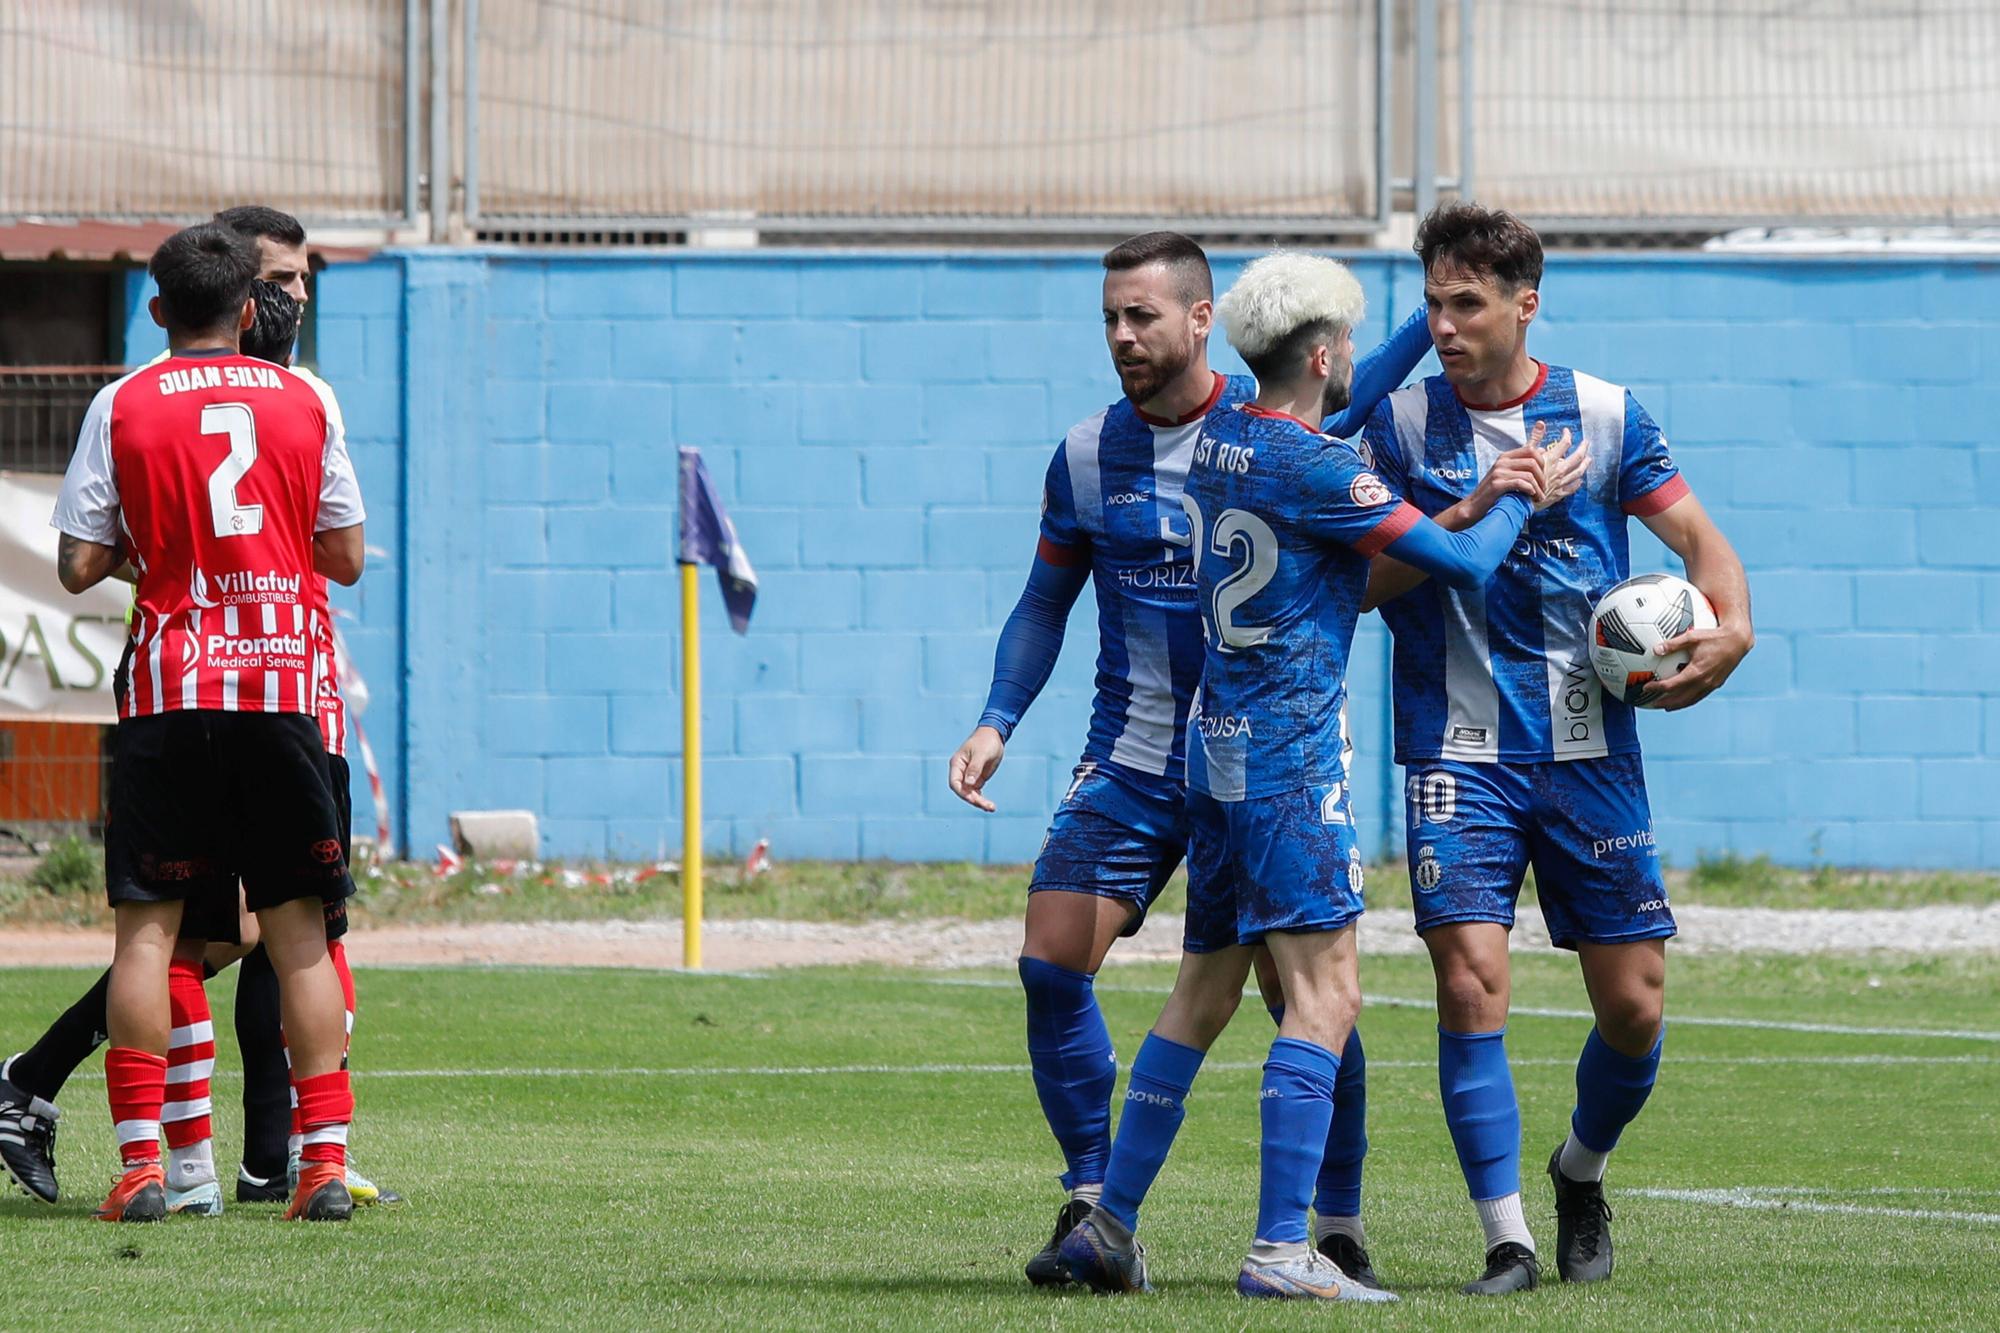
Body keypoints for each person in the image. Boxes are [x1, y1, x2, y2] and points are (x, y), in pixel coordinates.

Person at [1056, 251, 1584, 1299]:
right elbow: (1466, 570)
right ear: (1319, 352)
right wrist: (1522, 492)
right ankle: (1278, 1251)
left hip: (1215, 757)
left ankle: (1107, 1222)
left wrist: (1468, 495)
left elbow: (1360, 418)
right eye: (1344, 342)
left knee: (1197, 994)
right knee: (1325, 995)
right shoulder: (1319, 469)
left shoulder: (1220, 442)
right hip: (1291, 765)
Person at [945, 232, 1434, 1286]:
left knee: (1297, 994)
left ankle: (1329, 1219)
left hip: (1244, 756)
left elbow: (1345, 369)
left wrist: (1425, 310)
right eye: (1110, 319)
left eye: (1142, 317)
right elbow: (1043, 603)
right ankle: (1093, 1204)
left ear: (1203, 321)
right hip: (1131, 754)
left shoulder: (1259, 428)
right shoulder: (1085, 454)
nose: (1122, 336)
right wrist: (995, 719)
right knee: (1048, 958)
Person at [1358, 202, 1753, 1293]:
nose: (1442, 325)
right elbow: (1356, 587)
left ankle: (1577, 1170)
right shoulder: (1393, 428)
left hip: (1591, 752)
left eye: (1466, 303)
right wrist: (1461, 510)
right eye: (1431, 302)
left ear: (1523, 304)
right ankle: (1507, 1239)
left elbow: (1702, 549)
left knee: (1632, 1006)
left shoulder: (1604, 414)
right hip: (1454, 749)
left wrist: (1730, 633)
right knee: (1469, 980)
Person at [0, 209, 397, 1214]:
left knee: (154, 936)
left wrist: (164, 551)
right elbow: (344, 554)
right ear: (249, 300)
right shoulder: (303, 401)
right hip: (281, 684)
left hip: (173, 683)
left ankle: (150, 1167)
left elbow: (80, 561)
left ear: (159, 306)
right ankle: (316, 1165)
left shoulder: (125, 403)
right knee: (299, 932)